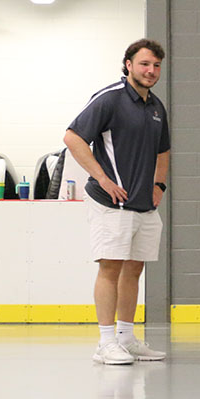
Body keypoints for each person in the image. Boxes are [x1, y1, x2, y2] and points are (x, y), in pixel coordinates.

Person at [65, 38, 171, 365]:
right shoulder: (109, 99)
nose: (151, 71)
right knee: (110, 268)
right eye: (144, 64)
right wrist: (102, 178)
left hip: (144, 205)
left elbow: (163, 151)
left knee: (134, 270)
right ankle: (105, 342)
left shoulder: (156, 107)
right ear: (128, 64)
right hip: (111, 204)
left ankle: (127, 338)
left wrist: (159, 186)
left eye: (156, 66)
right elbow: (72, 137)